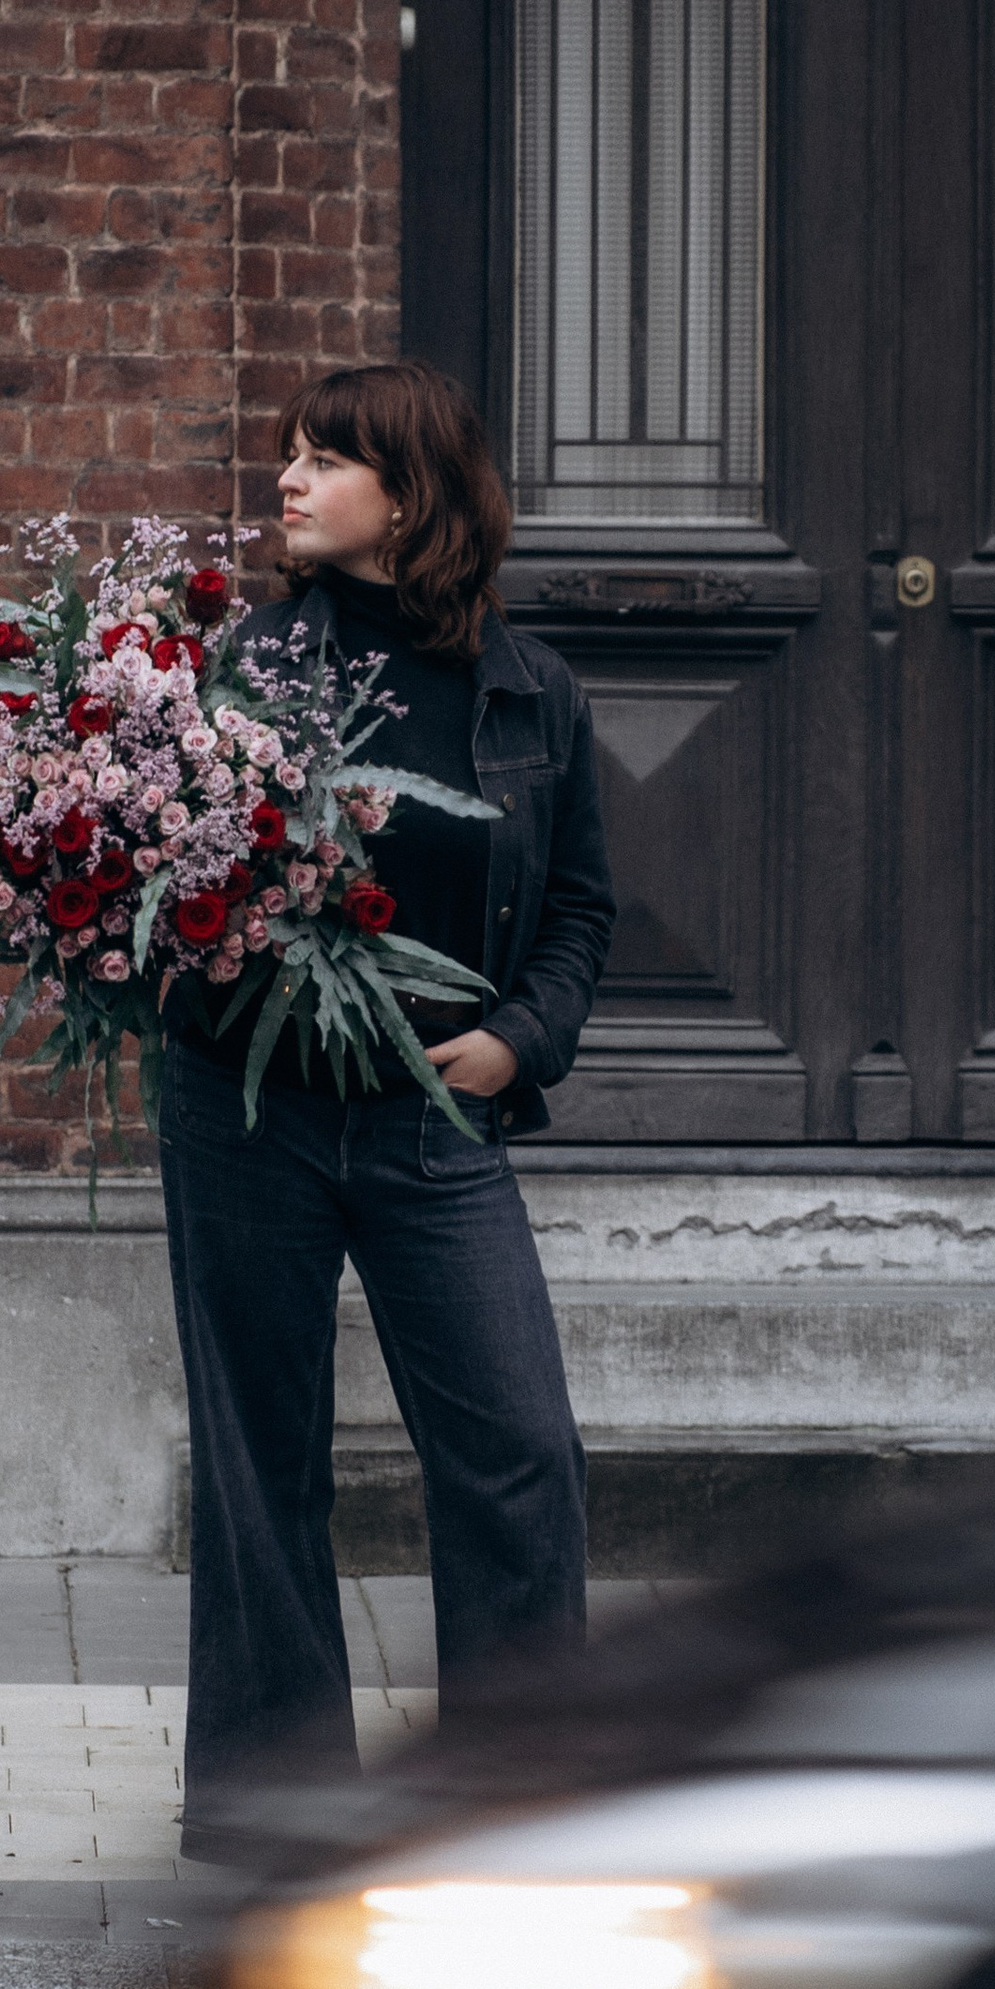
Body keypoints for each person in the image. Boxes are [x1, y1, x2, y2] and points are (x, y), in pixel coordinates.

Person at [157, 358, 613, 1847]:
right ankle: (270, 1805)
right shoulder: (238, 675)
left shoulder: (529, 692)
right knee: (261, 1459)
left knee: (518, 1451)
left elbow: (583, 909)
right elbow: (169, 893)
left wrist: (521, 1041)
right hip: (250, 1107)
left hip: (436, 1119)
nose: (287, 479)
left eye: (324, 459)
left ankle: (516, 1794)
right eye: (288, 454)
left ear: (408, 496)